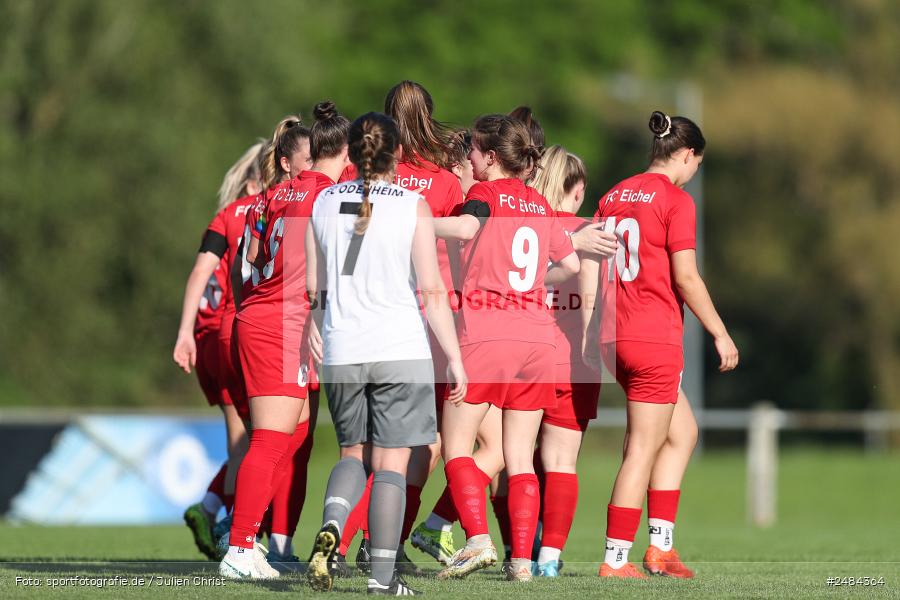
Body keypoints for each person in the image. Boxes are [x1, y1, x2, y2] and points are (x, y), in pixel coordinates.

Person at [305, 112, 466, 596]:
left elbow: (317, 287)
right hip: (398, 347)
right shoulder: (413, 206)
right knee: (393, 465)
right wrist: (455, 357)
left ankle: (332, 524)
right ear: (397, 153)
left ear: (351, 154)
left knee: (353, 454)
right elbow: (433, 291)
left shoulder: (323, 202)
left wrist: (317, 327)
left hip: (342, 347)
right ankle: (380, 579)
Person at [580, 110, 739, 579]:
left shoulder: (613, 195)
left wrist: (591, 329)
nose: (693, 176)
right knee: (642, 449)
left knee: (682, 433)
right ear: (688, 155)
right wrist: (720, 332)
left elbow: (591, 256)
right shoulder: (675, 200)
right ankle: (615, 560)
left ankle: (661, 548)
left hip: (616, 334)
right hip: (652, 335)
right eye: (696, 166)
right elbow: (685, 276)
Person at [432, 114, 580, 582]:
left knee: (456, 445)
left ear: (491, 157)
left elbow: (467, 231)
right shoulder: (540, 203)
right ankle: (521, 563)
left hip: (487, 333)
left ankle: (476, 539)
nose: (469, 158)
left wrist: (409, 222)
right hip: (537, 339)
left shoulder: (482, 194)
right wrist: (536, 281)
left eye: (473, 150)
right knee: (520, 458)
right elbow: (571, 263)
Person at [218, 114, 316, 579]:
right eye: (309, 159)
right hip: (277, 323)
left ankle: (246, 536)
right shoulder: (305, 197)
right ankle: (239, 545)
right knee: (270, 438)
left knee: (294, 429)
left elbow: (244, 266)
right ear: (286, 162)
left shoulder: (265, 201)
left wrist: (247, 310)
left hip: (265, 317)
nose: (318, 168)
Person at [529, 145, 617, 576]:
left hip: (523, 354)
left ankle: (519, 549)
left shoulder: (526, 225)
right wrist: (589, 348)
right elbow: (589, 297)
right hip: (571, 359)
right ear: (577, 189)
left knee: (514, 459)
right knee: (562, 463)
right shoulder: (588, 230)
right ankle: (548, 558)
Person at [173, 140, 264, 559]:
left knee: (245, 439)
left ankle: (212, 509)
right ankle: (233, 529)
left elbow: (198, 272)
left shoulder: (224, 217)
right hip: (238, 336)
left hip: (210, 338)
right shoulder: (266, 215)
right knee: (252, 441)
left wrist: (184, 332)